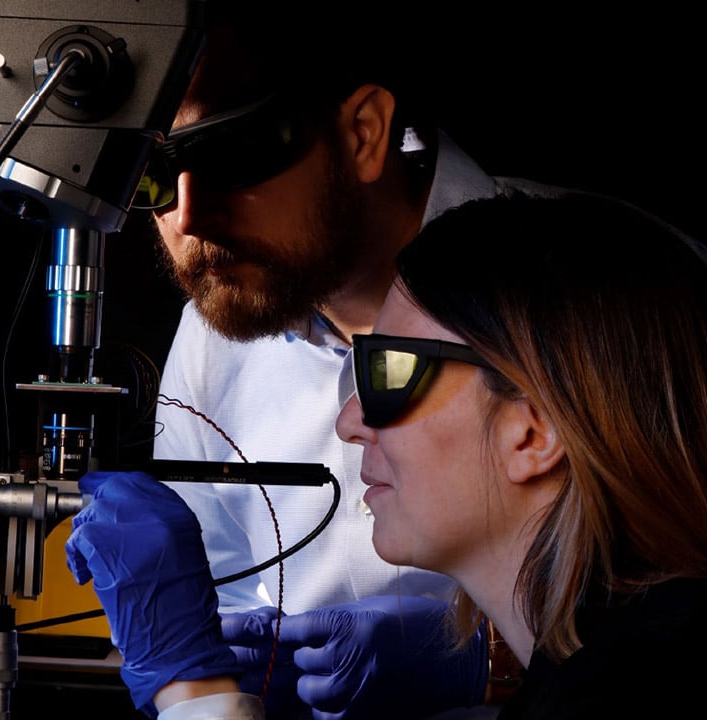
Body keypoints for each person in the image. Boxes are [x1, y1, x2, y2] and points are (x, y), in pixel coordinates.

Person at [67, 191, 707, 719]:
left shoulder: (628, 691)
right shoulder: (632, 656)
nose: (349, 421)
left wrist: (192, 691)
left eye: (389, 371)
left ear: (534, 433)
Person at [136, 2, 553, 717]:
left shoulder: (608, 288)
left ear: (363, 133)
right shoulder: (212, 336)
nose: (190, 215)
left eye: (233, 152)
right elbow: (227, 596)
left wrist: (496, 660)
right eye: (146, 176)